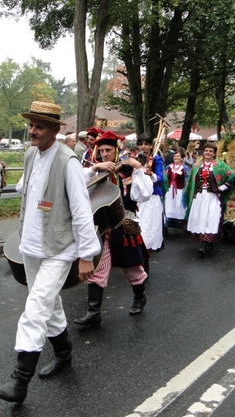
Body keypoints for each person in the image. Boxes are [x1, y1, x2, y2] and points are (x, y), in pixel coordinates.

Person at [0, 101, 100, 404]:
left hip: (59, 248)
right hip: (32, 245)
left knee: (36, 307)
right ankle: (64, 354)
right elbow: (26, 189)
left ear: (54, 130)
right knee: (48, 304)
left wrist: (87, 255)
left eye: (39, 126)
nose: (32, 131)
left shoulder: (68, 161)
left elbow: (81, 209)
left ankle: (20, 380)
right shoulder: (30, 155)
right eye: (31, 125)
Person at [74, 130, 152, 329]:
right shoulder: (95, 170)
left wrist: (138, 169)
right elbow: (76, 185)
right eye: (101, 151)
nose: (104, 154)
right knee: (97, 268)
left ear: (116, 151)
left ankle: (139, 298)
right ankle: (93, 313)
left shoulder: (127, 170)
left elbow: (143, 195)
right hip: (101, 228)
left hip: (123, 226)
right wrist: (95, 168)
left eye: (108, 150)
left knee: (133, 268)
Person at [183, 142, 235, 256]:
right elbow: (191, 182)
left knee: (211, 218)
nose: (208, 152)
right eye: (206, 150)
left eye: (211, 151)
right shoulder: (197, 165)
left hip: (213, 197)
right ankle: (204, 241)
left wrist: (223, 187)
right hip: (199, 196)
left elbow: (234, 176)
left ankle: (206, 242)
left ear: (214, 153)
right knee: (200, 217)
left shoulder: (220, 165)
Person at [136, 133, 164, 253]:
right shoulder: (134, 158)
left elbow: (161, 179)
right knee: (139, 223)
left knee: (149, 224)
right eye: (141, 144)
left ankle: (147, 249)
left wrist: (151, 174)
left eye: (146, 144)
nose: (143, 146)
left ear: (151, 146)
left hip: (152, 196)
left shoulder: (156, 159)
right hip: (138, 196)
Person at [164, 149, 191, 229]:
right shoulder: (168, 167)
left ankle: (180, 225)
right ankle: (168, 224)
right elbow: (164, 178)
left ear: (182, 158)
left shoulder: (185, 168)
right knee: (169, 205)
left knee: (179, 206)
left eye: (177, 156)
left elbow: (188, 180)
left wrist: (185, 191)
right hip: (169, 191)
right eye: (174, 156)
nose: (175, 157)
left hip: (179, 191)